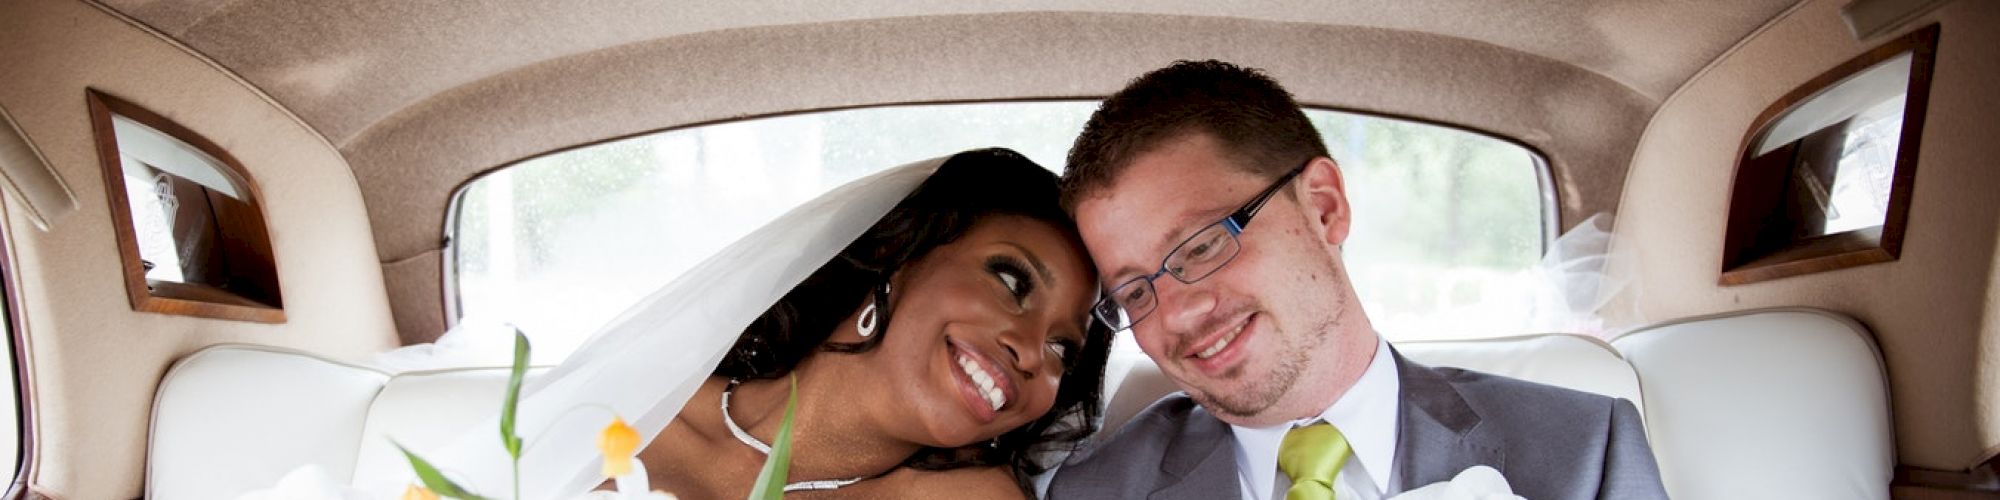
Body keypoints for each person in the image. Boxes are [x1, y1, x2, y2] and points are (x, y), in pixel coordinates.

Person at [1046, 60, 1667, 500]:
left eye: (1204, 244)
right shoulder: (1095, 490)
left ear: (1323, 207)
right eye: (1134, 292)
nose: (1176, 314)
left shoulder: (1586, 447)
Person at [629, 148, 1113, 499]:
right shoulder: (639, 408)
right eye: (1010, 280)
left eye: (1063, 348)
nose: (1032, 354)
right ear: (897, 253)